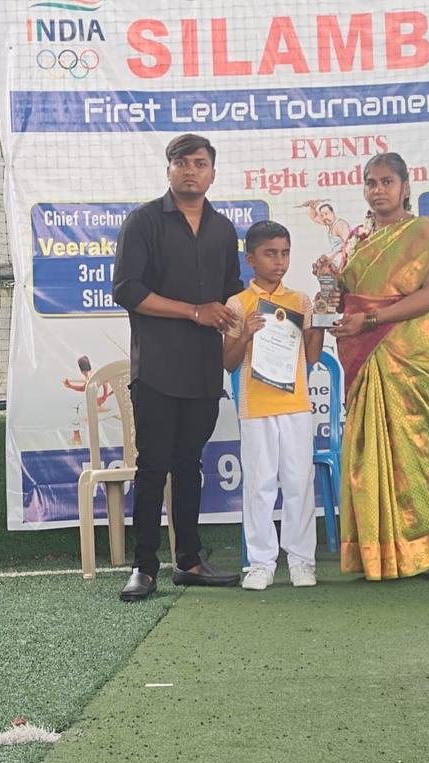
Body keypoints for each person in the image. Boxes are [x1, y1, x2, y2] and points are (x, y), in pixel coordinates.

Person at [111, 134, 244, 601]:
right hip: (156, 369)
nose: (191, 170)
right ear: (168, 169)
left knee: (190, 466)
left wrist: (265, 318)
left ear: (213, 173)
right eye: (181, 162)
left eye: (200, 163)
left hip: (204, 370)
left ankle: (189, 561)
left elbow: (231, 295)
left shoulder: (223, 230)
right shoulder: (144, 221)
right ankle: (143, 567)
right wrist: (194, 312)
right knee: (153, 468)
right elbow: (127, 290)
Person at [322, 152, 429, 583]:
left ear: (405, 187)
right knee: (370, 453)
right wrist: (332, 285)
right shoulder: (357, 243)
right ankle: (379, 555)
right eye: (371, 182)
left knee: (424, 452)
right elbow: (347, 302)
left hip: (417, 358)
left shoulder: (427, 234)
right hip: (369, 359)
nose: (378, 190)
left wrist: (370, 319)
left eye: (386, 182)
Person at [222, 220, 324, 590]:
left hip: (295, 406)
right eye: (270, 254)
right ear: (251, 258)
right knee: (259, 485)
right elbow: (228, 362)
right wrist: (246, 335)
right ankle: (261, 563)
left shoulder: (301, 301)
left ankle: (301, 561)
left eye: (285, 253)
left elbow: (312, 356)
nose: (279, 262)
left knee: (299, 482)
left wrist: (320, 322)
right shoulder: (238, 304)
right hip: (256, 409)